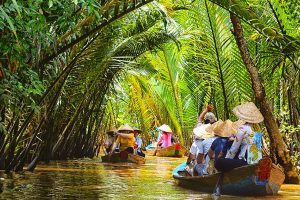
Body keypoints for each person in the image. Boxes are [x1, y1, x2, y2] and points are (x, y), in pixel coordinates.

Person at [215, 102, 264, 172]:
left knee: (219, 162)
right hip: (257, 161)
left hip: (246, 162)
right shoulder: (258, 129)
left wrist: (227, 159)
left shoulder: (243, 128)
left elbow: (234, 148)